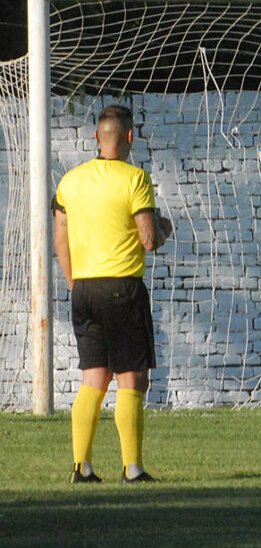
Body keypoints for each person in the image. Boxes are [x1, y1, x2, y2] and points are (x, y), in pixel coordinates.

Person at [53, 104, 172, 483]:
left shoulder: (69, 181)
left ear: (96, 138)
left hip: (84, 289)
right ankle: (133, 468)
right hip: (122, 288)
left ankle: (81, 467)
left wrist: (77, 285)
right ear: (130, 138)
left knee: (93, 378)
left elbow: (60, 240)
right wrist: (164, 226)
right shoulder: (135, 179)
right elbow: (149, 241)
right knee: (131, 379)